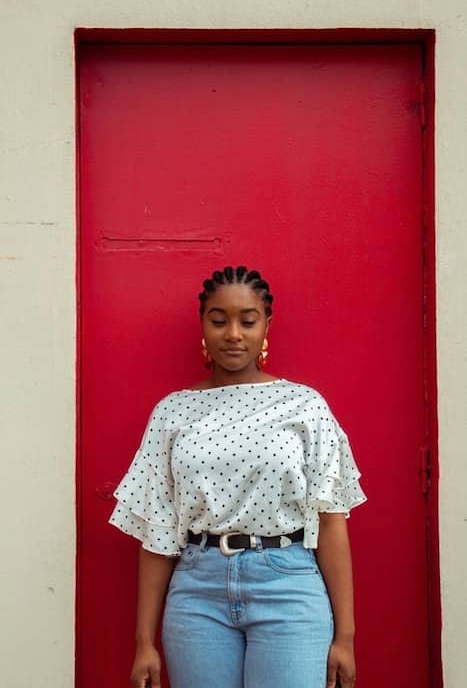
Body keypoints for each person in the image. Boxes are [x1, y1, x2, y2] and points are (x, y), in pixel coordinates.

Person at [109, 265, 366, 688]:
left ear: (266, 326)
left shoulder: (304, 405)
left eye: (247, 320)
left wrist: (346, 636)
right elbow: (158, 532)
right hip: (196, 592)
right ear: (203, 325)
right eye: (219, 319)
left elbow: (331, 519)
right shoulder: (172, 412)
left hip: (289, 587)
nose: (233, 333)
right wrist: (143, 641)